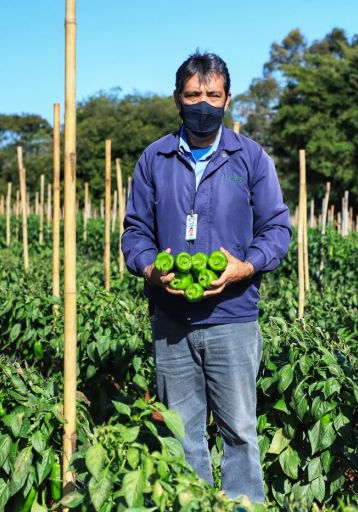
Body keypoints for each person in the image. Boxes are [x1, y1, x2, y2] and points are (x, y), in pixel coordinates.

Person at [121, 51, 291, 502]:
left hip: (233, 317)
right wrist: (151, 269)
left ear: (227, 100)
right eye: (194, 94)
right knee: (183, 435)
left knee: (239, 433)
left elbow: (276, 228)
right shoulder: (155, 158)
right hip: (172, 320)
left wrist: (245, 267)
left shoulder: (249, 157)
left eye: (212, 95)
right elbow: (135, 231)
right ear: (177, 98)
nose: (203, 104)